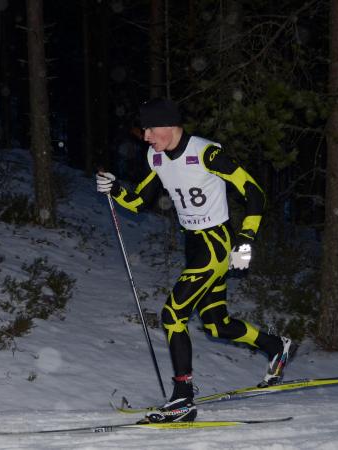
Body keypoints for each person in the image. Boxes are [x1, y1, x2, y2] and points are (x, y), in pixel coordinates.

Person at [96, 98, 296, 423]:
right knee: (217, 323)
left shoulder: (207, 153)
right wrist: (114, 188)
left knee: (173, 315)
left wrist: (245, 242)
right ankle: (276, 345)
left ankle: (183, 399)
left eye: (150, 128)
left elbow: (254, 191)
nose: (145, 136)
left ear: (170, 125)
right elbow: (136, 203)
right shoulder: (156, 156)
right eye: (144, 129)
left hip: (217, 244)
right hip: (193, 244)